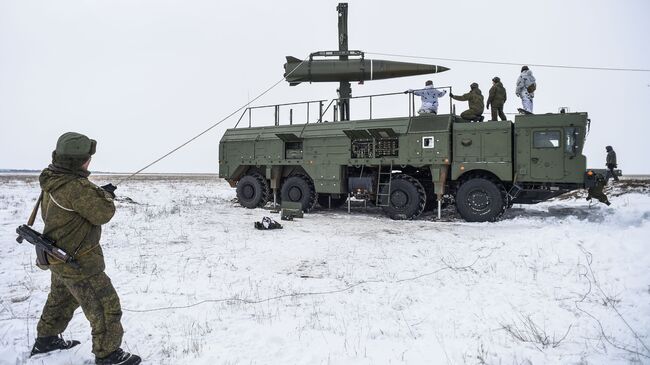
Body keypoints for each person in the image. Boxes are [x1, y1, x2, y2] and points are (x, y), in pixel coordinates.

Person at [31, 132, 141, 365]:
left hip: (57, 256)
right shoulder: (75, 186)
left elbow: (75, 205)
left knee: (61, 299)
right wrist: (106, 198)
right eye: (87, 156)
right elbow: (103, 214)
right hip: (78, 261)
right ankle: (108, 354)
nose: (90, 160)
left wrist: (99, 193)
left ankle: (46, 340)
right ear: (80, 160)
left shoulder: (53, 178)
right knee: (105, 306)